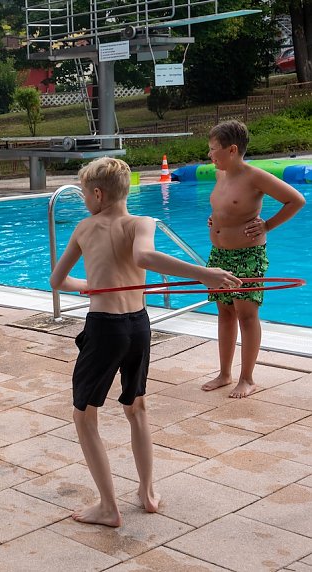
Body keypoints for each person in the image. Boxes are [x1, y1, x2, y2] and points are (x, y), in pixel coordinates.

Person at [50, 157, 242, 527]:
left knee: (84, 416)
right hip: (138, 325)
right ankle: (147, 492)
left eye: (85, 195)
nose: (85, 202)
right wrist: (203, 272)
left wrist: (90, 287)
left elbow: (58, 281)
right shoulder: (143, 222)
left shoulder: (84, 228)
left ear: (97, 194)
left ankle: (109, 507)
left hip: (104, 328)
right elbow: (143, 256)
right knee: (136, 407)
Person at [200, 121, 306, 398]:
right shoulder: (220, 174)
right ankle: (224, 373)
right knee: (224, 312)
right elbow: (227, 206)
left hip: (248, 255)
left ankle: (247, 378)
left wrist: (267, 225)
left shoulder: (255, 177)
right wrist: (216, 219)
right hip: (219, 254)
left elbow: (296, 200)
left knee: (246, 316)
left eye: (213, 149)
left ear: (232, 150)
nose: (209, 155)